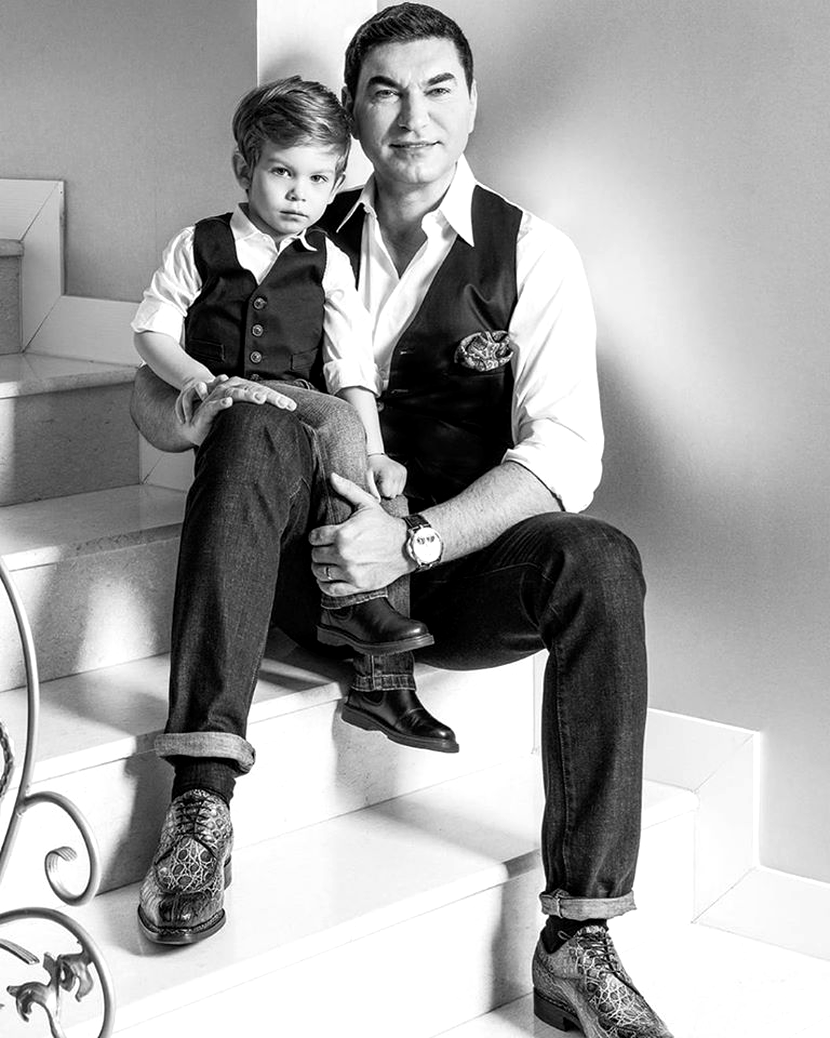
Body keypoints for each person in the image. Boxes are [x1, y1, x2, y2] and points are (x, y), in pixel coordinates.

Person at [130, 5, 672, 1035]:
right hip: (306, 569)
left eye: (436, 90)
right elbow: (152, 393)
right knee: (252, 424)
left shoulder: (533, 254)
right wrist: (186, 414)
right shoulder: (286, 222)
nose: (412, 117)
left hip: (447, 580)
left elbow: (566, 456)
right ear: (354, 110)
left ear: (472, 106)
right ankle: (200, 805)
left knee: (601, 561)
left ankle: (578, 939)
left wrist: (412, 542)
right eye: (384, 91)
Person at [131, 78, 458, 757]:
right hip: (231, 405)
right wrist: (200, 383)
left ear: (336, 182)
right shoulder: (199, 245)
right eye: (283, 172)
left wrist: (374, 452)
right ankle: (348, 613)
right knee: (310, 426)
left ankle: (381, 670)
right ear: (244, 169)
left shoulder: (327, 260)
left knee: (370, 473)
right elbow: (151, 331)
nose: (299, 195)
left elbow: (349, 366)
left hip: (295, 397)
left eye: (318, 179)